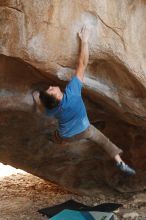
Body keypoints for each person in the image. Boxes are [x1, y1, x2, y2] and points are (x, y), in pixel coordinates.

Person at [32, 26, 136, 176]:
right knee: (104, 142)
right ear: (58, 96)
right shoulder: (72, 93)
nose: (51, 86)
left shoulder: (52, 108)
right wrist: (84, 41)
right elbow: (82, 64)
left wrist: (36, 97)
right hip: (85, 130)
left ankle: (52, 138)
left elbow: (44, 108)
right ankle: (120, 162)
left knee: (57, 137)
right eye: (51, 90)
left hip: (66, 136)